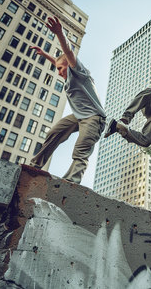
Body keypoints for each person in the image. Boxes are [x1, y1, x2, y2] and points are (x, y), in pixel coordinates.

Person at [29, 16, 106, 184]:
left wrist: (60, 33)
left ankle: (71, 181)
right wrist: (45, 55)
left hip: (94, 118)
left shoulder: (79, 72)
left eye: (60, 69)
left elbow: (68, 54)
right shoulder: (66, 72)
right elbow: (59, 61)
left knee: (80, 151)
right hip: (79, 117)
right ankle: (35, 165)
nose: (58, 73)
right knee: (54, 132)